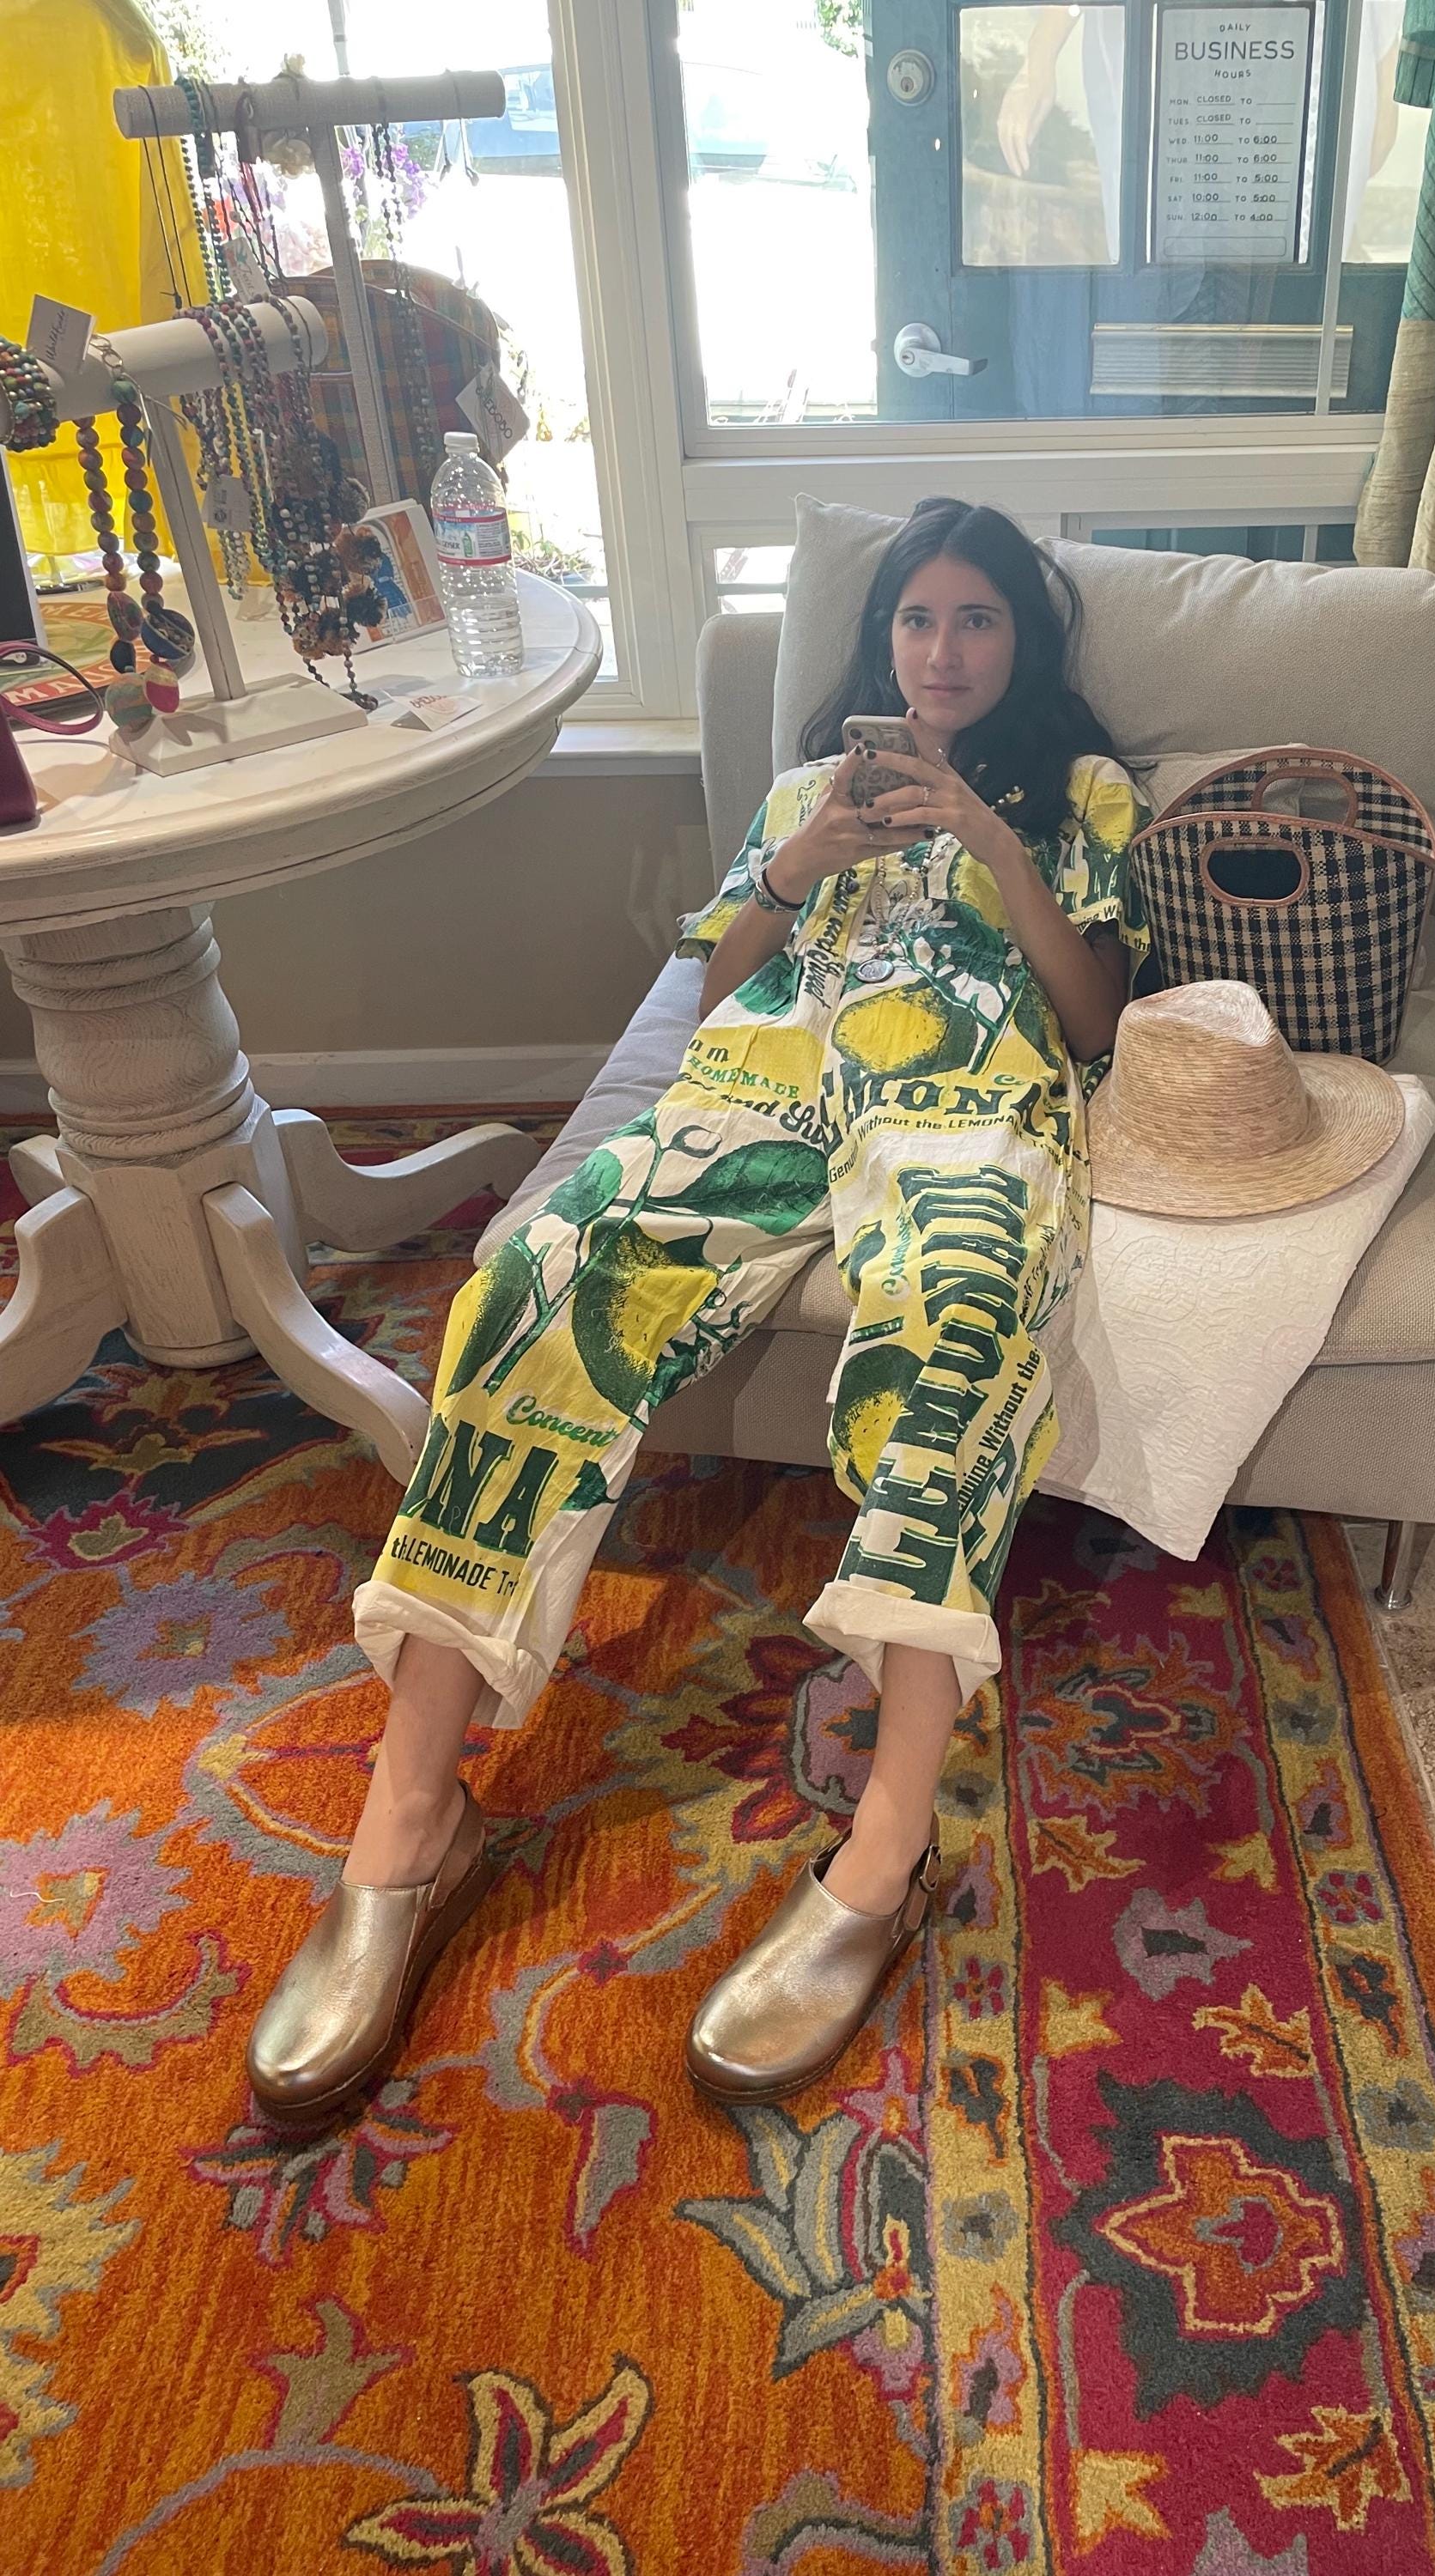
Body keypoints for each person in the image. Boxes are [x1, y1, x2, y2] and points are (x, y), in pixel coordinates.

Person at [245, 497, 1151, 2129]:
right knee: (531, 1284)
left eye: (977, 620)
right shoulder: (811, 791)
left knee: (958, 1334)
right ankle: (409, 1816)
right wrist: (796, 867)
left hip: (968, 1099)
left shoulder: (1082, 791)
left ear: (1023, 641)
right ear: (881, 640)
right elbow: (718, 986)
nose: (942, 651)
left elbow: (1090, 1020)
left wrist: (992, 844)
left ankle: (885, 1849)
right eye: (916, 620)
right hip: (764, 1088)